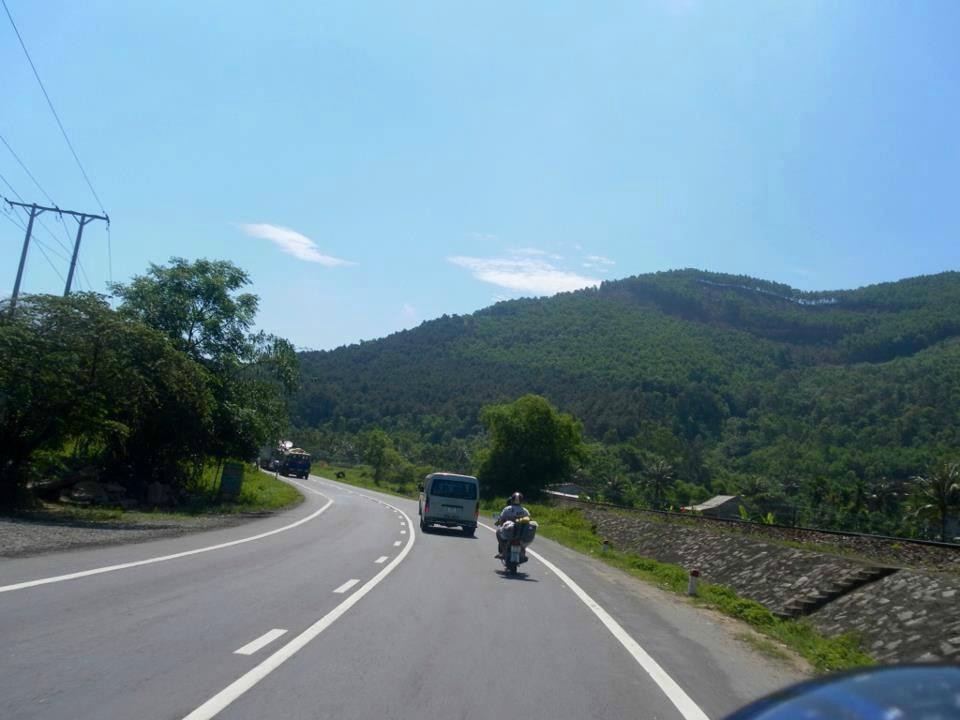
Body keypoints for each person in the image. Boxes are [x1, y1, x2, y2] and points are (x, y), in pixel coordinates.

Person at [494, 491, 530, 558]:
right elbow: (529, 520)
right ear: (521, 500)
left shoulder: (507, 509)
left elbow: (501, 519)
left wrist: (501, 524)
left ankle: (504, 552)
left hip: (509, 533)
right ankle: (523, 552)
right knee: (523, 541)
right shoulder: (525, 510)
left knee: (498, 532)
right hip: (520, 534)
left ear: (512, 500)